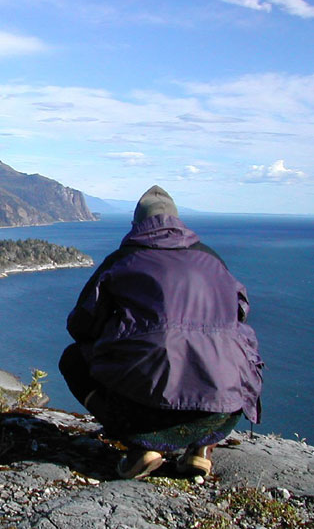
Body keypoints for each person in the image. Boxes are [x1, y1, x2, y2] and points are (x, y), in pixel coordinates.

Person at [59, 185, 263, 479]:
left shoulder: (123, 260)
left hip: (146, 413)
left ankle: (141, 447)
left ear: (136, 224)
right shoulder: (212, 260)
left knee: (73, 359)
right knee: (235, 354)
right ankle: (201, 450)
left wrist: (119, 338)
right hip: (222, 410)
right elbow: (240, 312)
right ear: (178, 221)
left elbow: (81, 326)